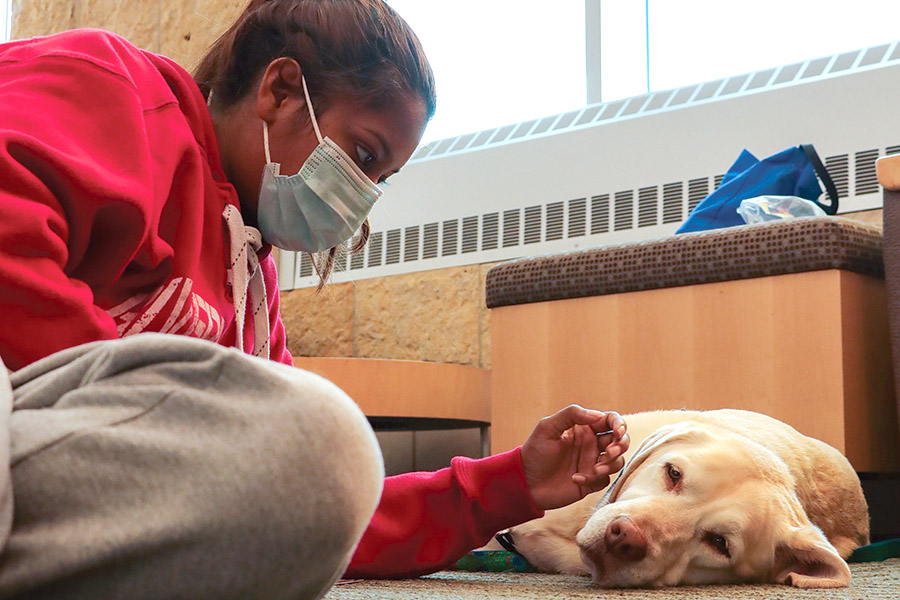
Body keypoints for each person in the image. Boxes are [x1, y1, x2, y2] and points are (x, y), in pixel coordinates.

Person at [0, 0, 630, 598]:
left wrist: (511, 482)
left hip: (57, 474)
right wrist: (140, 405)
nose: (362, 196)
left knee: (318, 451)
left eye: (379, 179)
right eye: (362, 155)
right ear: (278, 90)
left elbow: (318, 490)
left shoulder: (250, 284)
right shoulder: (116, 90)